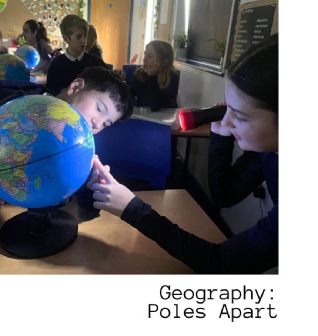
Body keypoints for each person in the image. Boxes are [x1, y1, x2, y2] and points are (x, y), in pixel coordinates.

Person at [88, 33, 279, 274]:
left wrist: (131, 208)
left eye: (240, 115)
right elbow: (225, 195)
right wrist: (220, 137)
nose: (227, 121)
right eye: (227, 108)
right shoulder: (270, 151)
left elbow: (219, 264)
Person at [0, 66, 133, 215]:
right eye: (99, 108)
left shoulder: (76, 144)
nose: (97, 124)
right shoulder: (5, 117)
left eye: (106, 123)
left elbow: (77, 202)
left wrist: (93, 187)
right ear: (75, 87)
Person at [46, 15, 109, 95]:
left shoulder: (95, 61)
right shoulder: (56, 64)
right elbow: (51, 93)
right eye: (78, 37)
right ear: (66, 39)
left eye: (85, 36)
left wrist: (118, 73)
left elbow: (110, 80)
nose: (84, 41)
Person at [130, 40, 180, 112]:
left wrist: (152, 76)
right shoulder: (140, 73)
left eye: (150, 56)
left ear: (164, 61)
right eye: (145, 55)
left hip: (163, 116)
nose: (144, 59)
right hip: (143, 116)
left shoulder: (172, 77)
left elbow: (154, 106)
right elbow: (130, 96)